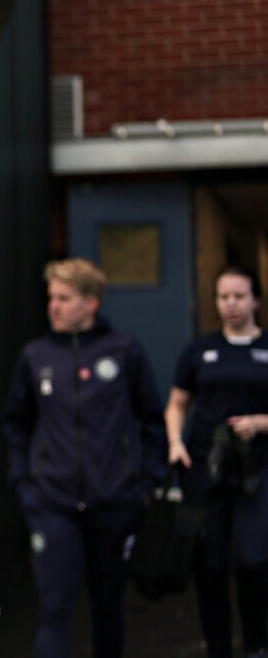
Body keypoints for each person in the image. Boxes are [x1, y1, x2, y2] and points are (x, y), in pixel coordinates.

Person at [2, 258, 167, 658]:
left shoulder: (125, 351)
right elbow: (15, 425)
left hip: (115, 503)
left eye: (64, 298)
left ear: (91, 303)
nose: (53, 306)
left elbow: (152, 422)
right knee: (55, 609)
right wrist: (25, 486)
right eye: (51, 298)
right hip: (53, 505)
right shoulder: (35, 356)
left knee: (108, 611)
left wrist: (147, 486)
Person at [165, 265, 268, 658]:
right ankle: (218, 647)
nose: (231, 304)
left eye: (239, 296)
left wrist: (259, 423)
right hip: (205, 469)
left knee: (253, 560)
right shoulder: (198, 350)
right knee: (210, 566)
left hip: (256, 470)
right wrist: (175, 441)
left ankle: (256, 643)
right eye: (223, 297)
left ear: (255, 299)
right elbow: (177, 404)